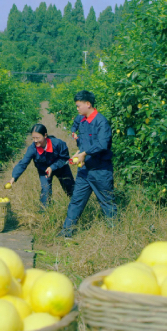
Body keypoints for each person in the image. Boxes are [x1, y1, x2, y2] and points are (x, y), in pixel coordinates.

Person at [59, 90, 117, 238]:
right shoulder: (83, 122)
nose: (77, 109)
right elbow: (85, 145)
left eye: (78, 106)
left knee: (107, 203)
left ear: (88, 104)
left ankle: (115, 236)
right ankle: (66, 232)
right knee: (76, 201)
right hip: (85, 170)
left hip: (100, 170)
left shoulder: (101, 122)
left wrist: (84, 154)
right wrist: (79, 154)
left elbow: (102, 144)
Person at [8, 124, 75, 208]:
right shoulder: (32, 148)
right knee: (45, 191)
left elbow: (64, 158)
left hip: (61, 169)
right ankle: (44, 213)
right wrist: (14, 177)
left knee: (70, 189)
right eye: (33, 138)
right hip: (44, 171)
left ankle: (76, 209)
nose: (35, 141)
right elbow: (23, 163)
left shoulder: (58, 144)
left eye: (37, 138)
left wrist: (52, 167)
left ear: (45, 135)